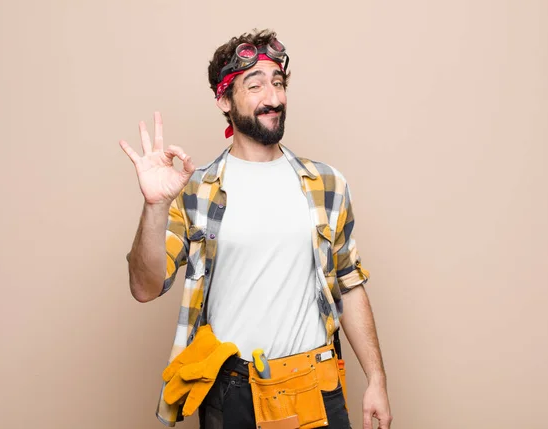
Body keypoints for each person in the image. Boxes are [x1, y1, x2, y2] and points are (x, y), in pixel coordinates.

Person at [119, 29, 392, 429]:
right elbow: (145, 287)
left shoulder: (326, 185)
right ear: (224, 100)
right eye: (256, 85)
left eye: (278, 83)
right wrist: (155, 205)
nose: (274, 97)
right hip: (232, 393)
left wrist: (377, 379)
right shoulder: (196, 190)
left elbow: (349, 285)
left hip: (316, 385)